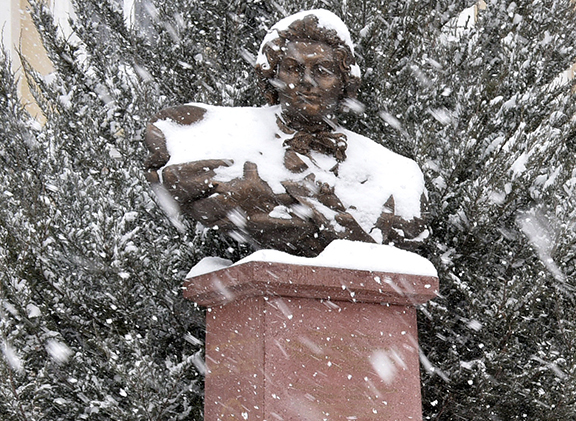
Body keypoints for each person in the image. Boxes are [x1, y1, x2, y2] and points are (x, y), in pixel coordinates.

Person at [144, 10, 427, 257]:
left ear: (344, 82)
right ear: (274, 76)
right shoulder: (212, 133)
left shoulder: (394, 172)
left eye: (322, 70)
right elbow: (177, 174)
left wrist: (276, 206)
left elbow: (399, 231)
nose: (306, 81)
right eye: (293, 69)